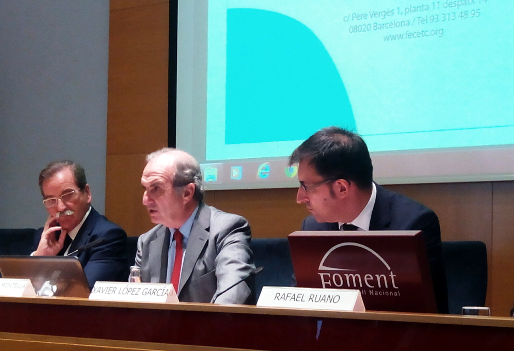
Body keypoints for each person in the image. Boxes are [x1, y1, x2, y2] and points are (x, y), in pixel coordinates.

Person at [289, 127, 449, 313]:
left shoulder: (412, 225)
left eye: (306, 187)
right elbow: (300, 303)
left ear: (342, 188)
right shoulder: (313, 228)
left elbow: (422, 313)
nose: (299, 198)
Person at [135, 148, 255, 304]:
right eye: (145, 189)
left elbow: (233, 294)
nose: (145, 200)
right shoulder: (147, 242)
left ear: (187, 193)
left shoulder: (227, 229)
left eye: (156, 189)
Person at [32, 160, 128, 288]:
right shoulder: (45, 238)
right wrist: (39, 258)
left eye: (67, 195)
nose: (60, 207)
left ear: (87, 193)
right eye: (51, 200)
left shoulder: (107, 237)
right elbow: (22, 293)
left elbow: (83, 292)